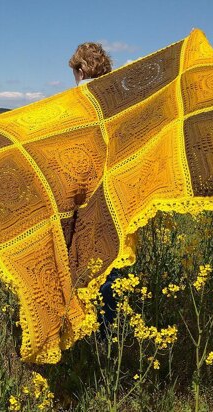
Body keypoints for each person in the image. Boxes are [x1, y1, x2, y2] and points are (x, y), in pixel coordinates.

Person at [69, 42, 119, 340]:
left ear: (81, 69)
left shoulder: (76, 99)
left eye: (75, 72)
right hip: (113, 188)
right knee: (110, 256)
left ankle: (81, 326)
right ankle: (107, 332)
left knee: (79, 255)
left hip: (81, 189)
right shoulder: (119, 98)